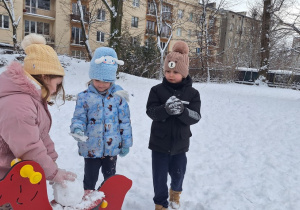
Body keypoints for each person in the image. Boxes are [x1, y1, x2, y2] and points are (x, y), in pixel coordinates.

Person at [0, 34, 76, 187]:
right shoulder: (18, 104)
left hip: (16, 172)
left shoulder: (31, 99)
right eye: (56, 84)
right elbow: (29, 147)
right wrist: (53, 172)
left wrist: (52, 162)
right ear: (44, 76)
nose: (55, 90)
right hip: (4, 178)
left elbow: (40, 135)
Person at [146, 41, 201, 210]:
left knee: (178, 174)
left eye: (176, 71)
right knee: (159, 177)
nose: (171, 75)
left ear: (183, 73)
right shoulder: (156, 90)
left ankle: (175, 194)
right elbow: (151, 112)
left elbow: (196, 116)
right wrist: (166, 109)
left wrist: (182, 111)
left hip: (180, 145)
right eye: (168, 71)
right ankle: (160, 203)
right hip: (159, 144)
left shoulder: (192, 94)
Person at [70, 47, 133, 191]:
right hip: (91, 147)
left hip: (111, 149)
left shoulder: (119, 96)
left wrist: (126, 143)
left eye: (106, 81)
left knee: (110, 179)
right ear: (91, 77)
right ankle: (88, 200)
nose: (101, 84)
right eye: (97, 79)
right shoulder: (84, 97)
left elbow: (125, 122)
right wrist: (77, 129)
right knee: (90, 179)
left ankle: (109, 200)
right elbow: (78, 118)